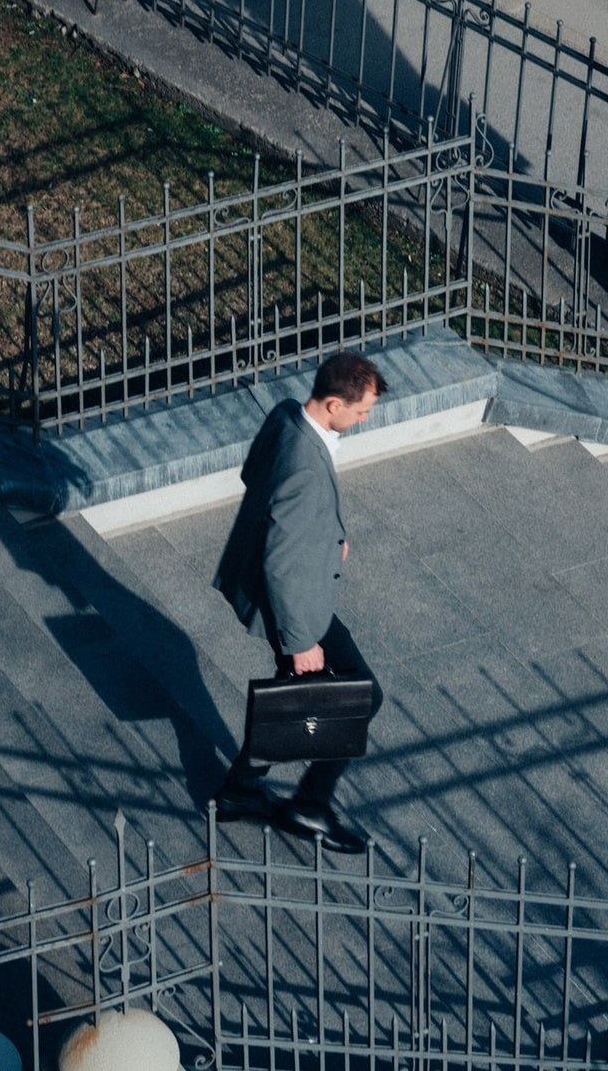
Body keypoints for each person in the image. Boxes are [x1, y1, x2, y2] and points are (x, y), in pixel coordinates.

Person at [211, 351, 387, 853]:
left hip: (295, 598)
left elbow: (252, 477)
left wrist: (328, 535)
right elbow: (281, 563)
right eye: (360, 412)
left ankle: (239, 792)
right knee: (361, 699)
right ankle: (307, 806)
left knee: (291, 703)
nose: (364, 419)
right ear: (333, 404)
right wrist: (299, 640)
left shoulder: (287, 412)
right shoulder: (305, 469)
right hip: (298, 610)